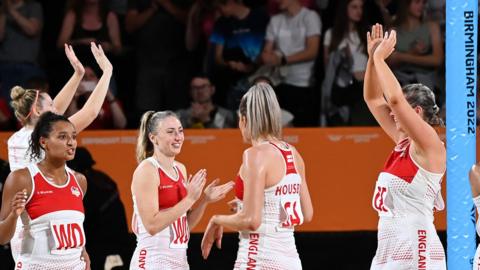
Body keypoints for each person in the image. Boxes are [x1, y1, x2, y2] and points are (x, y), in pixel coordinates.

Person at [7, 42, 111, 265]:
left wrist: (77, 75)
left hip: (40, 219)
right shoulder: (36, 138)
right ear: (37, 112)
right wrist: (107, 73)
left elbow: (54, 116)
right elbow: (90, 112)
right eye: (52, 105)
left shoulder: (18, 137)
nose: (57, 109)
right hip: (32, 231)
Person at [201, 83, 314, 269]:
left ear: (244, 120)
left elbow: (251, 221)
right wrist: (245, 205)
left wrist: (216, 219)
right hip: (290, 260)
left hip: (258, 259)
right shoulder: (293, 153)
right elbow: (307, 214)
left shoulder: (254, 155)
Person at [364, 24, 446, 269]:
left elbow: (396, 99)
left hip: (415, 244)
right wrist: (371, 59)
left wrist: (381, 58)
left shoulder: (429, 143)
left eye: (398, 111)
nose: (392, 113)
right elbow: (373, 99)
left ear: (417, 112)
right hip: (389, 243)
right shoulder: (403, 143)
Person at [130, 110, 234, 269]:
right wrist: (190, 199)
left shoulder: (180, 169)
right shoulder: (147, 170)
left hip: (179, 260)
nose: (178, 137)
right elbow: (152, 225)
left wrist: (204, 200)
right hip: (152, 260)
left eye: (180, 131)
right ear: (153, 138)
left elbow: (184, 226)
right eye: (170, 132)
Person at [0, 111, 90, 269]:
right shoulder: (22, 178)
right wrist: (14, 216)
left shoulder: (80, 181)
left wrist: (83, 252)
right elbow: (2, 238)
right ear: (43, 142)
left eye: (73, 137)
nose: (71, 143)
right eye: (62, 137)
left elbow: (72, 225)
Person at [68, 147, 133, 270]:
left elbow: (84, 220)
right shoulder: (103, 178)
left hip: (100, 246)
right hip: (120, 241)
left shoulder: (84, 184)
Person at [261, 0, 321, 127]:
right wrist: (268, 56)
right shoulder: (275, 20)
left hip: (303, 84)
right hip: (279, 83)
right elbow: (267, 50)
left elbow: (312, 51)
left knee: (304, 132)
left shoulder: (310, 17)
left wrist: (284, 60)